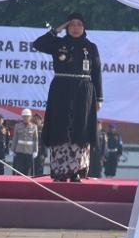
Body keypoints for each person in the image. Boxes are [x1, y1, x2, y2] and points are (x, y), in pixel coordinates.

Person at [32, 13, 103, 183]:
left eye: (79, 24)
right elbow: (38, 44)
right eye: (72, 25)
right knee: (60, 126)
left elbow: (97, 73)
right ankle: (60, 169)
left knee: (80, 128)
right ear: (67, 27)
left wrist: (98, 98)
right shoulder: (58, 44)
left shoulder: (90, 47)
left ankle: (76, 170)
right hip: (61, 90)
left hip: (83, 91)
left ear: (84, 27)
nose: (76, 28)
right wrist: (57, 29)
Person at [12, 109, 39, 178]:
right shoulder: (17, 126)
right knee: (19, 170)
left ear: (30, 117)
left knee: (28, 171)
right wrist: (12, 149)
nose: (26, 118)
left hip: (29, 152)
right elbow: (15, 138)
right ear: (22, 117)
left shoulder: (34, 127)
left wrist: (35, 151)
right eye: (24, 116)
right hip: (20, 151)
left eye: (27, 116)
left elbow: (35, 140)